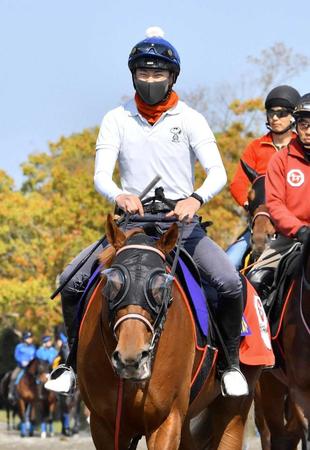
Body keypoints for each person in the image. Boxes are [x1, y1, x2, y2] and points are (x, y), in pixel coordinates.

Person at [45, 26, 248, 397]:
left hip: (180, 226)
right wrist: (119, 194)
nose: (150, 80)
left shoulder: (190, 118)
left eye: (158, 74)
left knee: (230, 283)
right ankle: (71, 364)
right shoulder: (116, 119)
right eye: (143, 73)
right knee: (70, 279)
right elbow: (101, 175)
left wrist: (196, 199)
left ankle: (229, 365)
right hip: (132, 227)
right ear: (133, 75)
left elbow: (217, 172)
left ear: (173, 77)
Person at [227, 85, 301, 269]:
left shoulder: (301, 147)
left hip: (294, 222)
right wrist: (252, 206)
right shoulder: (256, 147)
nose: (275, 118)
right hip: (260, 221)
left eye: (282, 113)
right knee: (230, 262)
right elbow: (238, 183)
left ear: (293, 117)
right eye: (271, 112)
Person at [247, 93, 310, 299]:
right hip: (289, 238)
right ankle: (257, 330)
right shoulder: (281, 159)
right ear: (296, 126)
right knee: (255, 278)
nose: (308, 131)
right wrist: (299, 230)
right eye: (303, 125)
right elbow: (275, 204)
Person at [8, 331, 36, 401]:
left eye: (31, 338)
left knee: (39, 378)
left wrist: (31, 361)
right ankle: (11, 393)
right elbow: (16, 356)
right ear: (25, 339)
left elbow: (34, 356)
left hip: (30, 368)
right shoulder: (19, 347)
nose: (30, 339)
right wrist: (21, 362)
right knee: (13, 376)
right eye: (28, 338)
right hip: (21, 366)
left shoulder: (33, 347)